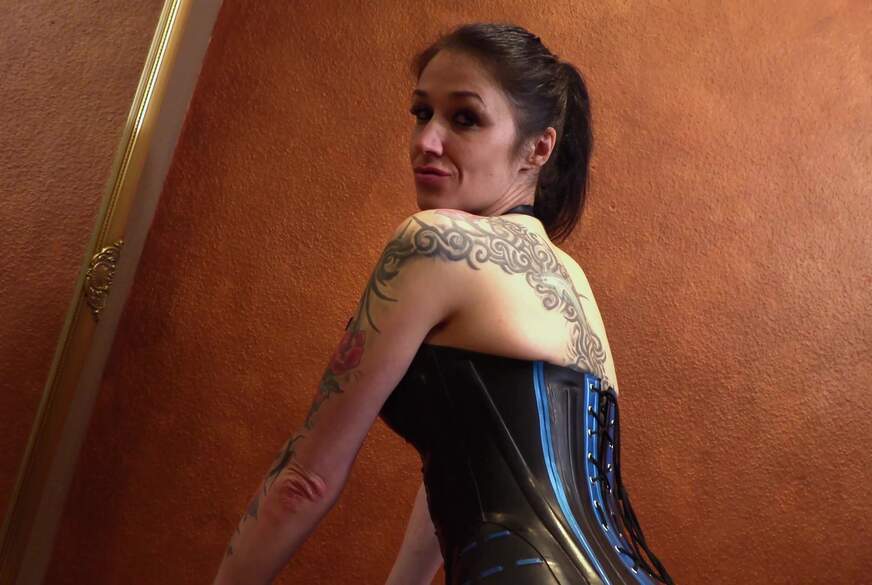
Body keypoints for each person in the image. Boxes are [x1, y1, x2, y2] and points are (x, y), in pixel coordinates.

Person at [213, 22, 675, 585]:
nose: (426, 141)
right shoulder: (571, 279)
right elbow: (467, 463)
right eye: (421, 113)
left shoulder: (434, 240)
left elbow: (304, 481)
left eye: (464, 119)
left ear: (539, 147)